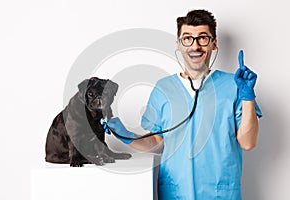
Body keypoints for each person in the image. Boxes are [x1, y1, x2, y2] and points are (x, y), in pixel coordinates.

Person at [107, 9, 262, 200]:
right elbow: (156, 142)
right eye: (187, 38)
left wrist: (247, 95)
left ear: (214, 44)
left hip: (220, 193)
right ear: (179, 44)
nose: (194, 46)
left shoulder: (235, 86)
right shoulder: (163, 88)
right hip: (176, 193)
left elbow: (247, 143)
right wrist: (126, 136)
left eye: (202, 38)